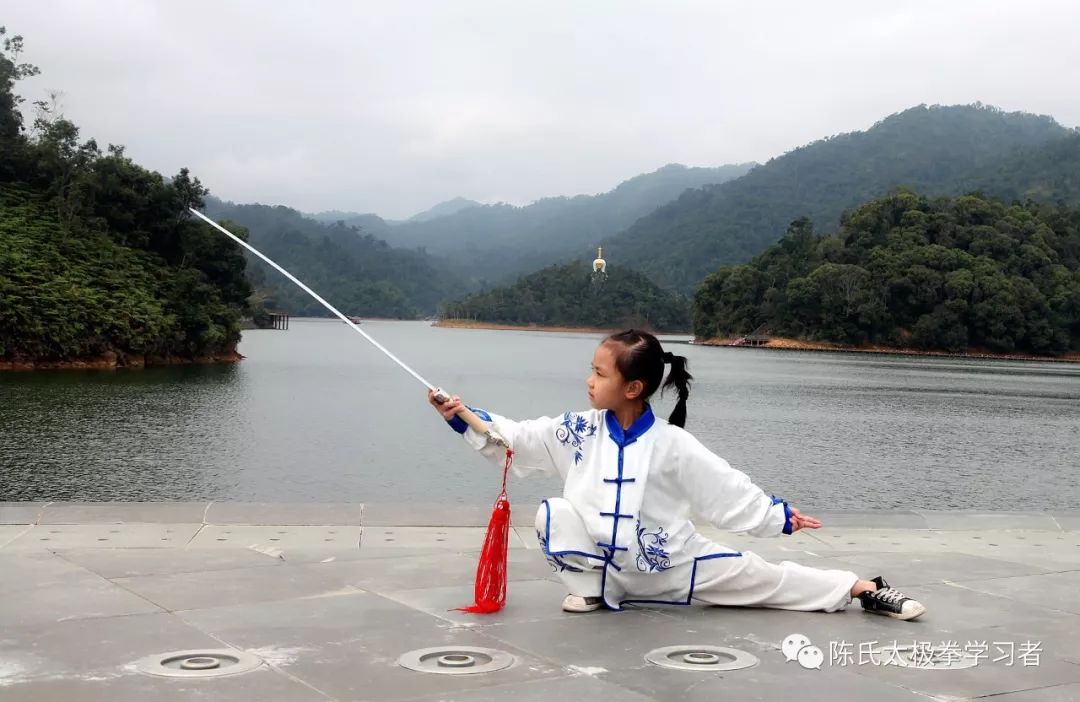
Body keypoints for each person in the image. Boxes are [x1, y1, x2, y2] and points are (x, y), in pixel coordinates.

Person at [428, 329, 925, 620]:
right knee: (551, 515)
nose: (589, 381)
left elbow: (725, 489)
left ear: (633, 387)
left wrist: (779, 516)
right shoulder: (577, 430)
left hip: (673, 567)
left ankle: (859, 588)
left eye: (600, 375)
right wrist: (460, 414)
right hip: (604, 572)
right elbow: (519, 438)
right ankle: (595, 589)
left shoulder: (671, 443)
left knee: (764, 578)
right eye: (592, 370)